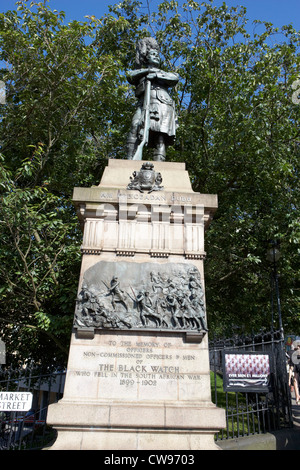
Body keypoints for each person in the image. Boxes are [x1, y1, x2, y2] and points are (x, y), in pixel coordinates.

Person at [126, 37, 179, 161]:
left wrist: (155, 74)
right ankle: (130, 161)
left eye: (157, 55)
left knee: (160, 137)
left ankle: (159, 164)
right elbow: (130, 75)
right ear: (146, 57)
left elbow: (175, 78)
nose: (156, 56)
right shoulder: (140, 72)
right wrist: (147, 71)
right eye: (153, 54)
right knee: (135, 125)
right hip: (144, 104)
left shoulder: (164, 73)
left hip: (163, 105)